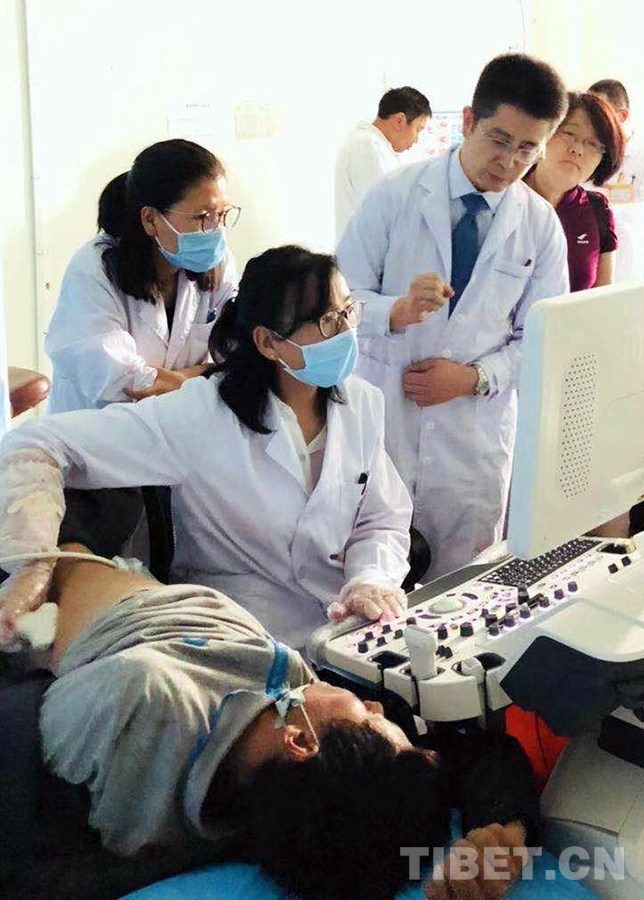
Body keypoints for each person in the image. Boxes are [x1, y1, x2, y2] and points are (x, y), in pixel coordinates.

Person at [0, 483, 538, 900]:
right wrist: (502, 828)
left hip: (53, 570)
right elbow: (471, 753)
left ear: (300, 741)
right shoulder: (308, 777)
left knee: (68, 465)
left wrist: (37, 566)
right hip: (135, 578)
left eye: (370, 716)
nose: (375, 705)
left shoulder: (138, 699)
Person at [0, 246, 412, 650]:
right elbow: (35, 440)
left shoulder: (360, 403)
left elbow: (381, 519)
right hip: (239, 638)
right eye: (326, 321)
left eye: (347, 312)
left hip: (343, 630)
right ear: (268, 342)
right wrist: (32, 563)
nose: (346, 331)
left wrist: (370, 579)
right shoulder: (200, 414)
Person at [336, 54, 570, 578]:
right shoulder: (395, 195)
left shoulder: (540, 227)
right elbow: (340, 301)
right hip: (388, 425)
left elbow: (541, 338)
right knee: (373, 584)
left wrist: (474, 378)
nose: (509, 161)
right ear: (468, 121)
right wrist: (396, 310)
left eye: (528, 148)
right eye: (498, 139)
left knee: (462, 590)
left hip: (473, 443)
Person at [45, 139, 239, 413]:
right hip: (99, 429)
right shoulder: (92, 269)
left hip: (175, 425)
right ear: (150, 219)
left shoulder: (217, 260)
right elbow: (126, 383)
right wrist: (205, 375)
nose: (215, 228)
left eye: (221, 214)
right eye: (202, 217)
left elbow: (239, 354)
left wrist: (183, 380)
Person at [524, 92, 624, 291]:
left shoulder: (597, 210)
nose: (577, 149)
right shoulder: (505, 195)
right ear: (545, 133)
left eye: (593, 144)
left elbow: (602, 298)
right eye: (569, 133)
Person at [334, 86, 431, 239]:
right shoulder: (367, 146)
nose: (416, 139)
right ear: (399, 120)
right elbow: (383, 212)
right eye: (418, 130)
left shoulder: (375, 146)